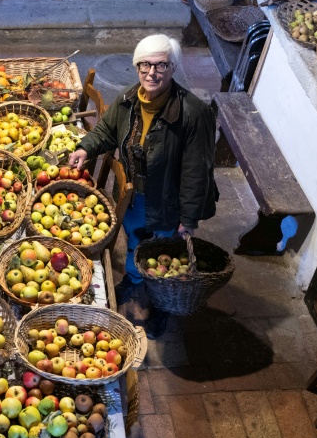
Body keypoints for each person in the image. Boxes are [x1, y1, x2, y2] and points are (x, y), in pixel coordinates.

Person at [69, 34, 218, 338]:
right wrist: (86, 147)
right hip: (136, 194)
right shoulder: (128, 100)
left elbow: (196, 173)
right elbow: (108, 132)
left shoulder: (194, 114)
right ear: (137, 67)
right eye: (145, 65)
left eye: (161, 65)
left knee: (166, 256)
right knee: (136, 239)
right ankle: (134, 281)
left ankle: (162, 306)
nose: (151, 73)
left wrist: (188, 219)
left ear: (172, 68)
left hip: (168, 202)